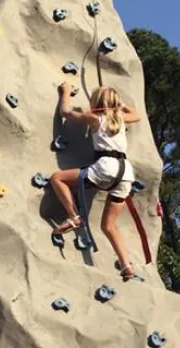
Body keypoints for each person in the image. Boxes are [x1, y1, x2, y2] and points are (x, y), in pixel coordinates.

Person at [49, 81, 141, 280]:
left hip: (106, 167)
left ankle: (74, 216)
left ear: (96, 103)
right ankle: (127, 266)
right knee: (109, 226)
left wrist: (65, 92)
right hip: (125, 173)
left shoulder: (94, 117)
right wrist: (119, 105)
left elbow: (66, 112)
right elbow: (137, 115)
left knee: (58, 178)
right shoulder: (122, 119)